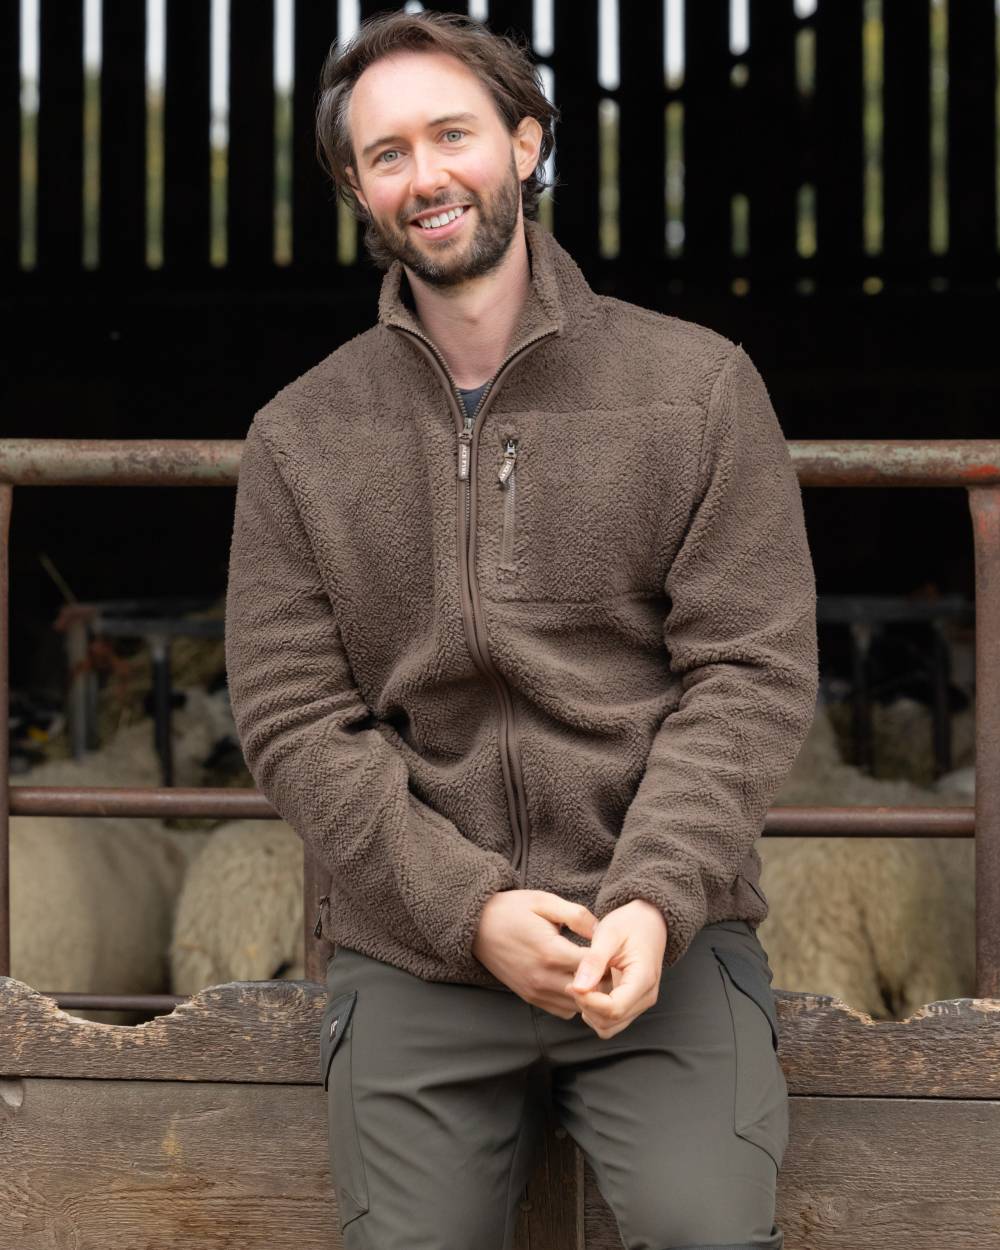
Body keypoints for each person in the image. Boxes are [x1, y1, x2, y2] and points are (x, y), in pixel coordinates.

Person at [223, 10, 818, 1249]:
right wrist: (467, 906)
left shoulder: (696, 388)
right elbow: (290, 718)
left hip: (652, 933)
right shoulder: (300, 435)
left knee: (707, 1228)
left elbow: (750, 669)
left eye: (454, 134)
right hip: (422, 946)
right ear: (357, 188)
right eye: (387, 153)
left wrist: (655, 896)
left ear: (526, 143)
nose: (426, 175)